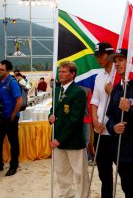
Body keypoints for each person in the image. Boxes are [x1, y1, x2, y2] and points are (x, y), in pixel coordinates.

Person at [106, 48, 133, 198]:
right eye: (115, 61)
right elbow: (110, 117)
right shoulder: (116, 90)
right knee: (126, 189)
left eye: (121, 60)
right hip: (120, 151)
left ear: (130, 61)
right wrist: (113, 127)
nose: (117, 64)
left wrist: (130, 108)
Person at [48, 61, 89, 198]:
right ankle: (66, 195)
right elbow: (53, 109)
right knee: (61, 171)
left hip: (73, 140)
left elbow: (75, 120)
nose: (61, 74)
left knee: (80, 173)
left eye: (64, 71)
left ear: (72, 74)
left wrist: (59, 140)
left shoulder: (78, 92)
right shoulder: (57, 90)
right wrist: (50, 117)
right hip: (58, 138)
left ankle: (83, 196)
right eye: (60, 71)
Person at [90, 42, 115, 198]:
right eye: (97, 56)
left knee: (125, 173)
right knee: (104, 173)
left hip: (115, 131)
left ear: (110, 54)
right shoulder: (99, 76)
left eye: (102, 55)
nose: (99, 58)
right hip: (99, 130)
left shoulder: (119, 75)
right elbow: (94, 101)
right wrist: (94, 120)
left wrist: (113, 92)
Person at [0, 60, 22, 176]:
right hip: (1, 117)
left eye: (2, 70)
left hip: (11, 118)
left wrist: (13, 115)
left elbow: (19, 101)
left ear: (8, 71)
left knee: (13, 142)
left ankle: (13, 166)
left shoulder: (12, 82)